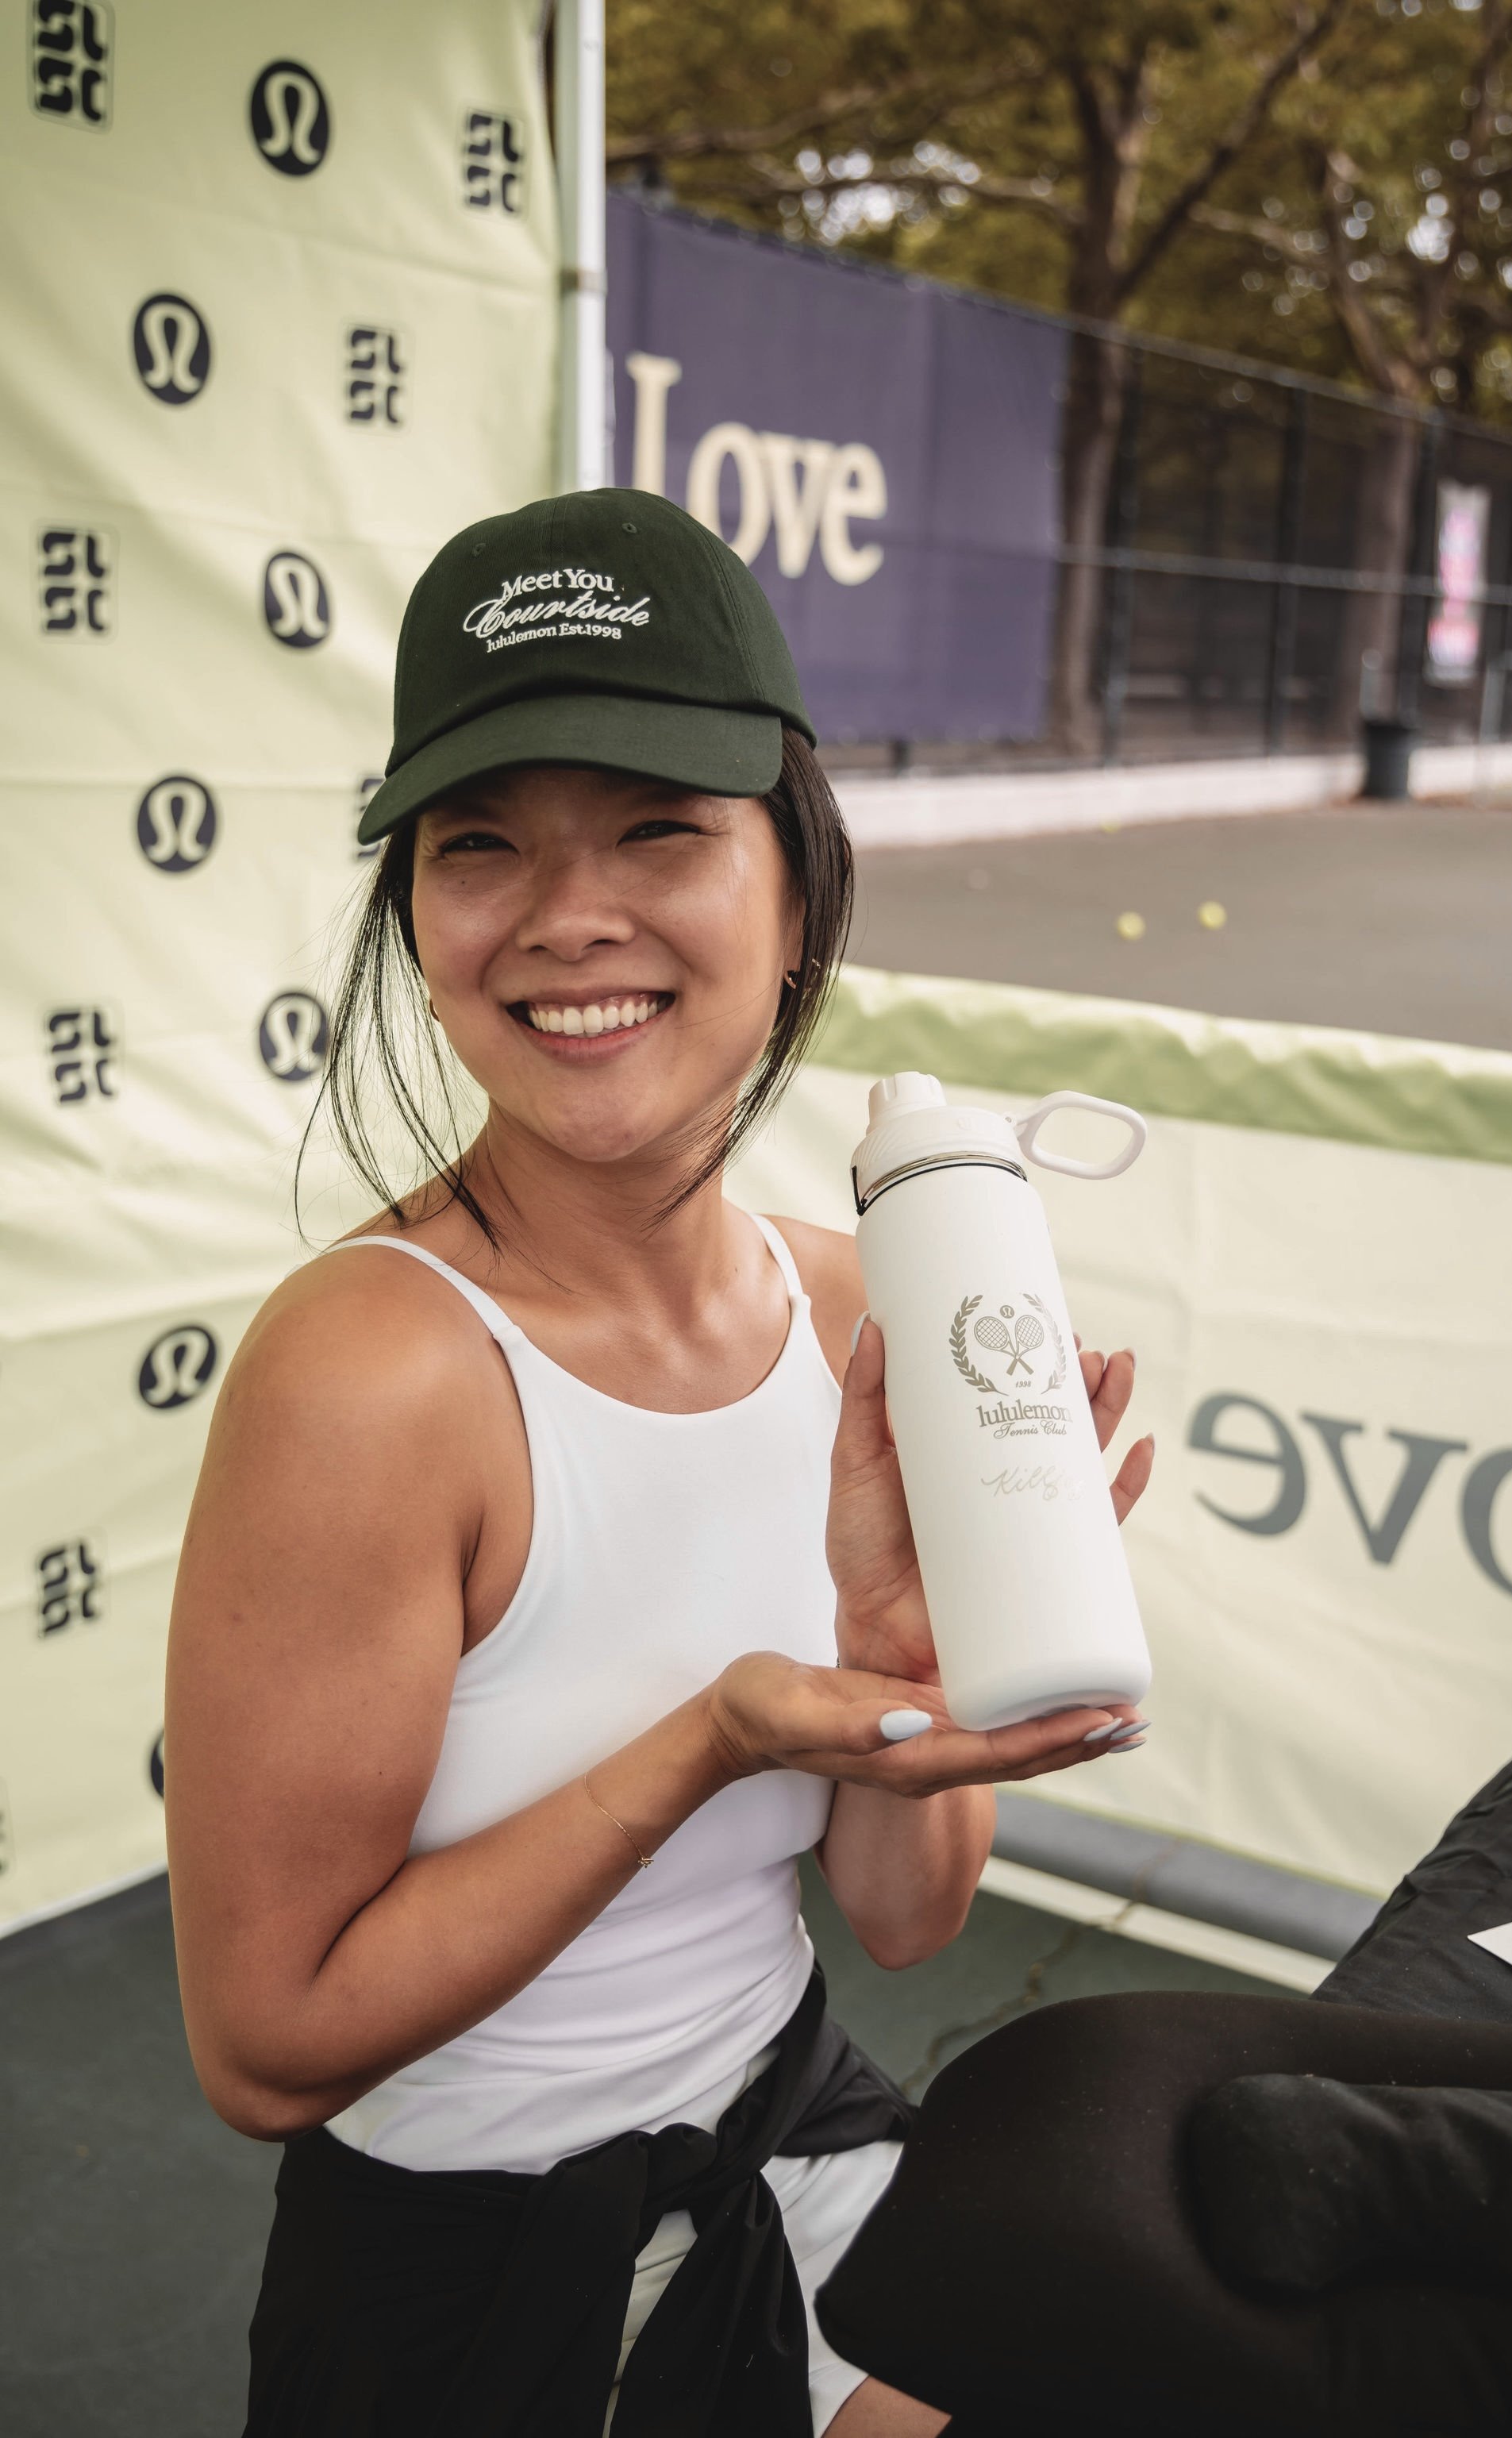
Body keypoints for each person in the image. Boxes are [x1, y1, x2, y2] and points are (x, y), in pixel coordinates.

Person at [164, 491, 1152, 2438]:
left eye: (654, 827)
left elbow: (900, 1920)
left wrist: (903, 1668)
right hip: (466, 2271)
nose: (565, 916)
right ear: (420, 923)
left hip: (795, 2147)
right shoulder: (367, 1370)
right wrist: (712, 1740)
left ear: (793, 892)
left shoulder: (867, 1301)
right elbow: (266, 2050)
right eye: (481, 847)